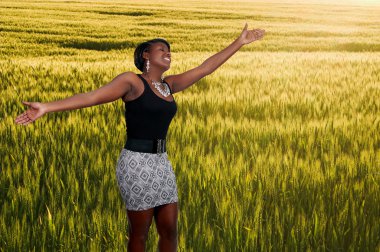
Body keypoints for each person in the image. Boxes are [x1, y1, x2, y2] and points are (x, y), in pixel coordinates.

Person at [15, 24, 265, 251]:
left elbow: (205, 69)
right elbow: (92, 97)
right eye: (161, 49)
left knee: (169, 229)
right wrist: (47, 106)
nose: (168, 53)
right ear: (146, 55)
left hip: (161, 163)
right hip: (136, 163)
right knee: (140, 233)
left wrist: (239, 42)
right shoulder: (131, 82)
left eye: (170, 51)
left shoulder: (168, 85)